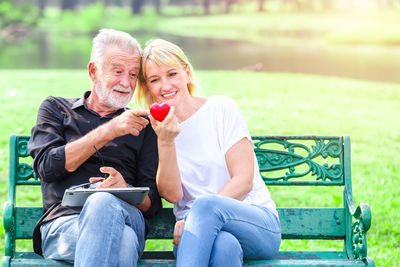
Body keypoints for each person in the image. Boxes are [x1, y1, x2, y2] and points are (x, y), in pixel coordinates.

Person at [137, 39, 281, 267]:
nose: (165, 86)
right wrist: (165, 141)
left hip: (255, 222)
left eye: (172, 74)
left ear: (187, 73)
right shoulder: (155, 129)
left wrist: (196, 218)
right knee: (225, 248)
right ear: (147, 87)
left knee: (204, 206)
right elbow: (173, 196)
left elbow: (243, 181)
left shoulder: (221, 109)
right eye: (155, 80)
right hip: (198, 237)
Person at [28, 29, 162, 267]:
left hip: (127, 218)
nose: (126, 83)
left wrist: (125, 189)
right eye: (118, 71)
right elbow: (47, 168)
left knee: (104, 201)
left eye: (133, 75)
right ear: (93, 71)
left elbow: (152, 203)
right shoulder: (55, 109)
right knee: (121, 247)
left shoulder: (144, 126)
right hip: (64, 224)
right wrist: (110, 130)